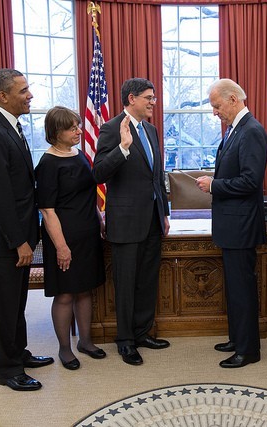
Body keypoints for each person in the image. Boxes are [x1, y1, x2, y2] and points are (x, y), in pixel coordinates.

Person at [0, 68, 53, 391]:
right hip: (3, 238)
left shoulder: (11, 128)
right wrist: (19, 241)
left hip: (17, 234)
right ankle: (7, 370)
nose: (30, 95)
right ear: (3, 96)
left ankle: (18, 353)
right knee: (4, 307)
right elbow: (1, 195)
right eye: (23, 91)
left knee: (16, 302)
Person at [92, 78, 170, 366]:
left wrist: (164, 212)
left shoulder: (150, 130)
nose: (153, 102)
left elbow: (156, 174)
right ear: (132, 98)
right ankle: (125, 341)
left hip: (151, 218)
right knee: (125, 283)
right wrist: (123, 148)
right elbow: (98, 172)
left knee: (147, 279)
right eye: (148, 97)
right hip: (125, 221)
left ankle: (141, 332)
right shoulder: (112, 129)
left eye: (154, 98)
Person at [195, 78, 267, 369]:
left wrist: (214, 185)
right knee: (234, 289)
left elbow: (251, 182)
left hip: (241, 226)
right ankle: (237, 339)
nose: (214, 112)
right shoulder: (235, 129)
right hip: (231, 224)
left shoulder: (251, 131)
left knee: (242, 289)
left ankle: (248, 350)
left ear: (234, 100)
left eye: (217, 106)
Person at [36, 106, 107, 370]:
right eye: (72, 127)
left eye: (78, 125)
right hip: (63, 237)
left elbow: (89, 195)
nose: (79, 131)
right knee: (65, 293)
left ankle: (86, 341)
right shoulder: (47, 164)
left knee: (85, 289)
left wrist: (99, 221)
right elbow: (47, 209)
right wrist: (61, 247)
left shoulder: (79, 156)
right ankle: (65, 348)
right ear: (56, 132)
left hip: (87, 232)